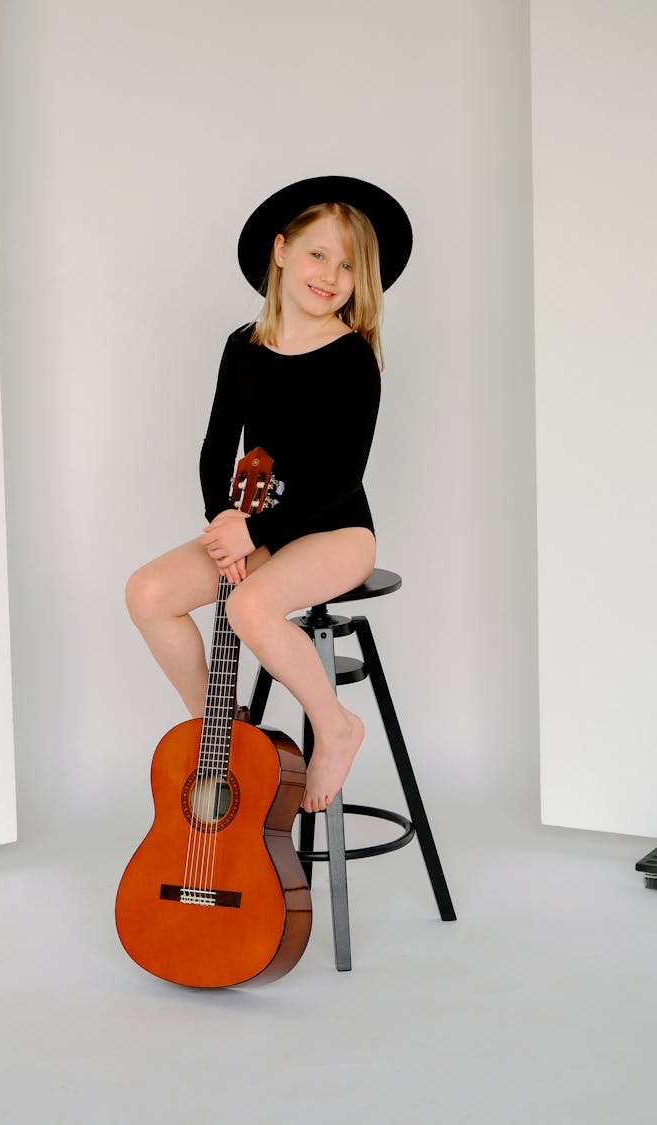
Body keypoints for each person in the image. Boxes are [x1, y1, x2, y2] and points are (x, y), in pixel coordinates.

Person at [125, 175, 412, 813]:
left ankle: (336, 725)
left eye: (347, 266)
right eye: (318, 254)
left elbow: (341, 475)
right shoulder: (243, 347)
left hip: (336, 533)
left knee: (249, 611)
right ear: (280, 251)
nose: (331, 274)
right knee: (147, 592)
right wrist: (222, 523)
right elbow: (215, 448)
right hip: (253, 524)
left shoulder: (352, 357)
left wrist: (254, 537)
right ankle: (218, 735)